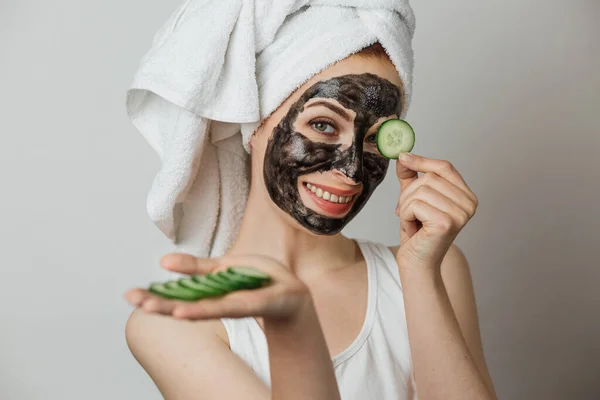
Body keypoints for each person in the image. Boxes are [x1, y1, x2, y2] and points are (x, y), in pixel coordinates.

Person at [123, 2, 497, 400]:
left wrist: (421, 274)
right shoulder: (172, 323)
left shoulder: (436, 271)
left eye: (373, 138)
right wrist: (296, 327)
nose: (352, 170)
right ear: (257, 123)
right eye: (322, 124)